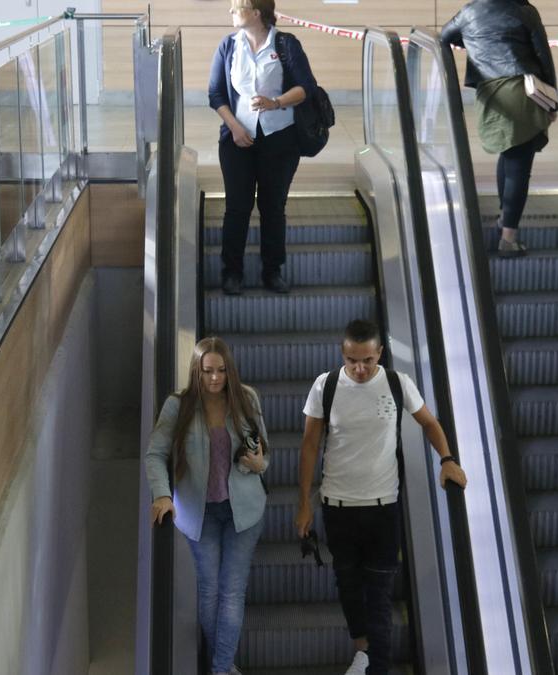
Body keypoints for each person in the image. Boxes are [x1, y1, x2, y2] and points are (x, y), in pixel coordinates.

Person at [295, 320, 468, 675]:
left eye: (368, 361)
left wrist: (447, 459)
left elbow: (429, 423)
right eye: (351, 360)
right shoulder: (325, 386)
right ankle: (362, 652)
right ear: (342, 354)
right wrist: (303, 505)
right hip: (337, 507)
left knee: (379, 594)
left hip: (384, 508)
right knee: (348, 586)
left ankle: (379, 668)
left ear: (381, 355)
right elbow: (310, 445)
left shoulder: (396, 384)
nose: (359, 369)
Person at [145, 337, 269, 675]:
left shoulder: (247, 399)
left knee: (231, 592)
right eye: (207, 372)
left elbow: (264, 455)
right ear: (196, 372)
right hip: (199, 515)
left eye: (221, 371)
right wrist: (162, 494)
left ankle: (219, 669)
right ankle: (224, 667)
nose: (214, 378)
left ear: (230, 370)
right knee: (210, 591)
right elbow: (155, 454)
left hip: (243, 512)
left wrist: (257, 464)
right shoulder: (178, 406)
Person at [208, 0, 317, 295]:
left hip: (280, 139)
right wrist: (233, 126)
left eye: (236, 7)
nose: (230, 12)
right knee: (237, 207)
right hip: (237, 138)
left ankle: (273, 270)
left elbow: (306, 86)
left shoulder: (285, 44)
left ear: (256, 13)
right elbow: (215, 93)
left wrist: (276, 102)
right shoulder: (228, 46)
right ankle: (232, 272)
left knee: (272, 206)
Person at [441, 0, 557, 257]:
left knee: (509, 153)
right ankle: (508, 238)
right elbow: (543, 55)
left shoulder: (470, 11)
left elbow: (444, 36)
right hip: (521, 90)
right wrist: (552, 99)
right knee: (519, 166)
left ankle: (504, 218)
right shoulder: (524, 9)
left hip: (489, 94)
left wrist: (474, 42)